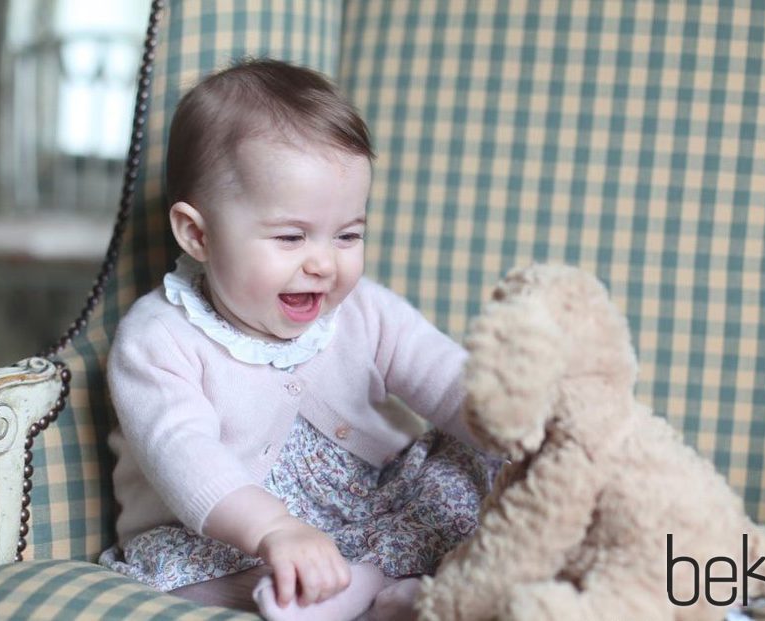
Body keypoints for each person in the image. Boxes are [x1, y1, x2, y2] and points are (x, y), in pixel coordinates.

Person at [98, 58, 497, 621]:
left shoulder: (364, 311)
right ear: (198, 234)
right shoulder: (158, 339)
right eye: (290, 237)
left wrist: (516, 428)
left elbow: (446, 377)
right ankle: (349, 593)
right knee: (191, 575)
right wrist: (276, 529)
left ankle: (392, 583)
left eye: (348, 235)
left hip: (374, 501)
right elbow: (183, 454)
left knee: (476, 464)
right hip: (233, 533)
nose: (323, 264)